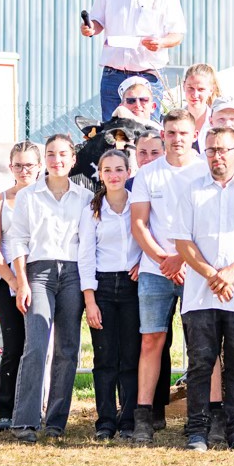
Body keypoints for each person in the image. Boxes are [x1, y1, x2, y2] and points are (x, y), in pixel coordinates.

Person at [165, 125, 234, 451]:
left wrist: (232, 272)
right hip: (201, 295)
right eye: (212, 150)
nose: (217, 156)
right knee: (201, 363)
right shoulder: (192, 191)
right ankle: (197, 431)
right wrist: (212, 275)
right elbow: (182, 241)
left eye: (224, 149)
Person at [7, 135, 89, 445]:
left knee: (67, 348)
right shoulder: (28, 196)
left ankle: (56, 421)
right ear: (45, 160)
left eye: (63, 154)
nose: (57, 160)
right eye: (51, 154)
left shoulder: (84, 198)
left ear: (73, 159)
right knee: (37, 345)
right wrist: (22, 282)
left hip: (73, 274)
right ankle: (25, 420)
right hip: (38, 274)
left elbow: (87, 244)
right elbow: (17, 239)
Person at [127, 109, 201, 445]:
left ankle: (202, 416)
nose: (177, 139)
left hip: (196, 269)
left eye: (183, 133)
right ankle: (144, 416)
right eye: (171, 133)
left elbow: (207, 223)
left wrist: (182, 258)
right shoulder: (148, 174)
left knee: (201, 343)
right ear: (163, 135)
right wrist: (163, 260)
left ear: (194, 135)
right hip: (155, 270)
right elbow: (139, 224)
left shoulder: (204, 170)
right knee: (151, 340)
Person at [82, 0, 187, 122]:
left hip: (149, 74)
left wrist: (161, 43)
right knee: (112, 131)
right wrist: (90, 28)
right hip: (113, 73)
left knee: (148, 130)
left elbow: (177, 34)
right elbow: (97, 21)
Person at [79, 148, 141, 444]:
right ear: (100, 174)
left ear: (129, 172)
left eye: (119, 169)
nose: (114, 175)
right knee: (105, 358)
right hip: (102, 287)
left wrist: (144, 262)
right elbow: (86, 256)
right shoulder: (92, 210)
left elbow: (151, 237)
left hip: (132, 285)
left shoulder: (138, 205)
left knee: (130, 357)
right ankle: (105, 421)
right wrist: (89, 300)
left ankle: (128, 420)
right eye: (107, 170)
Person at [0, 141, 41, 433]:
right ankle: (5, 409)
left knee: (39, 346)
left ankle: (36, 406)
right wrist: (11, 279)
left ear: (39, 167)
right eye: (18, 165)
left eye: (29, 165)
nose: (23, 170)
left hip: (41, 278)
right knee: (13, 345)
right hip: (10, 282)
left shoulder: (46, 198)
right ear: (10, 167)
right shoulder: (1, 201)